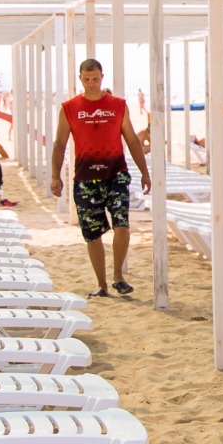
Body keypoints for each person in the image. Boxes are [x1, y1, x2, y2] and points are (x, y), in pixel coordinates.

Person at [49, 58, 151, 296]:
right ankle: (102, 284)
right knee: (92, 233)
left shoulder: (118, 105)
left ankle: (118, 277)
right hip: (85, 178)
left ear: (102, 77)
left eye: (95, 79)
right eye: (87, 79)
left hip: (116, 174)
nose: (91, 83)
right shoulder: (69, 108)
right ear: (80, 79)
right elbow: (59, 143)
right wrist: (55, 176)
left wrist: (144, 172)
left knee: (122, 224)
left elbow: (132, 140)